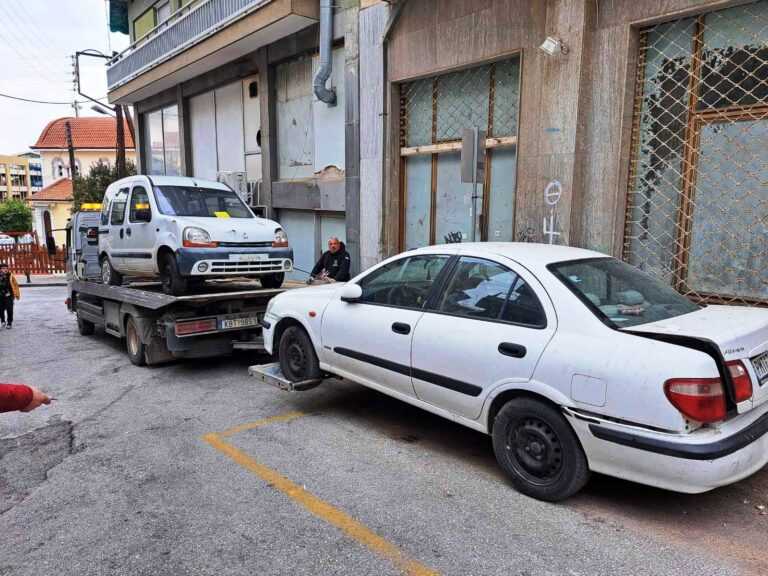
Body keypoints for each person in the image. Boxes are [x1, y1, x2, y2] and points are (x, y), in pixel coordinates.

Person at [0, 262, 20, 329]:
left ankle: (9, 322)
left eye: (6, 268)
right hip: (0, 296)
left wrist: (17, 294)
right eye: (3, 268)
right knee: (0, 309)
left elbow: (15, 285)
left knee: (9, 309)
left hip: (9, 295)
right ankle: (2, 321)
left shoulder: (10, 276)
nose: (4, 269)